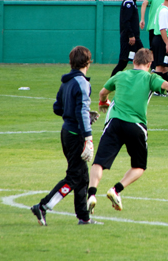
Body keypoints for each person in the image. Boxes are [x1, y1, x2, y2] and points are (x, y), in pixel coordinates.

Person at [87, 48, 168, 213]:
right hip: (135, 126)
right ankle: (115, 190)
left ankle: (91, 195)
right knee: (139, 167)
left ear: (133, 61)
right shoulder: (151, 77)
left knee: (99, 163)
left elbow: (102, 93)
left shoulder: (120, 75)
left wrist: (103, 102)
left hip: (114, 123)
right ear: (150, 64)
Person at [31, 46, 102, 226]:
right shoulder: (83, 83)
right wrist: (88, 138)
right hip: (76, 135)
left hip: (66, 132)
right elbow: (82, 111)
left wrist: (75, 114)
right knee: (74, 177)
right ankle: (43, 206)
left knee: (82, 177)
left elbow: (58, 108)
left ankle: (83, 218)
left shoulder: (66, 82)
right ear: (88, 62)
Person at [110, 0, 144, 77]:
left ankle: (141, 81)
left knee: (144, 58)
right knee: (123, 62)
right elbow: (126, 21)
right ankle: (110, 84)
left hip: (135, 38)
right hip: (130, 38)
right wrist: (131, 35)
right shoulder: (128, 2)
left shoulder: (132, 2)